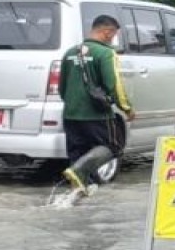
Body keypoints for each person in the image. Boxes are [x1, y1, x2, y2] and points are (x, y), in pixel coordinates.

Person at [58, 14, 135, 193]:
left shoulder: (70, 52)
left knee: (78, 153)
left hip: (71, 113)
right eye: (113, 34)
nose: (113, 38)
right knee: (113, 146)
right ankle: (80, 173)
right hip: (96, 114)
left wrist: (72, 103)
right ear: (107, 32)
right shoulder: (106, 53)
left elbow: (62, 86)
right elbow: (114, 84)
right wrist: (127, 108)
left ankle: (78, 192)